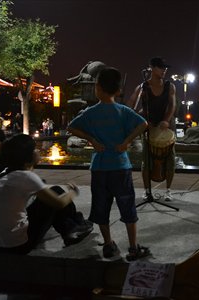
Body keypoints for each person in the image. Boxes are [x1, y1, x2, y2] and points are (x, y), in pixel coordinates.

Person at [68, 66, 150, 261]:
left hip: (99, 168)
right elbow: (144, 124)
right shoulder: (122, 111)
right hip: (121, 167)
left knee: (101, 208)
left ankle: (108, 244)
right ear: (116, 90)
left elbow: (72, 127)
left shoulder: (90, 112)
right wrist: (127, 142)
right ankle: (132, 247)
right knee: (127, 206)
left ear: (97, 88)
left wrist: (92, 140)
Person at [0, 134, 93, 254]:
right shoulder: (26, 176)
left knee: (52, 193)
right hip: (19, 244)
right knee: (57, 192)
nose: (38, 151)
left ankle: (72, 227)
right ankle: (72, 228)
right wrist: (73, 192)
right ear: (28, 156)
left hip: (1, 243)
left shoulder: (6, 173)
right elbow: (59, 203)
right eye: (35, 149)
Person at [128, 57, 177, 201]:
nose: (164, 70)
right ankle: (147, 191)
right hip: (148, 126)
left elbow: (172, 105)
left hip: (166, 126)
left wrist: (166, 120)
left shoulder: (170, 86)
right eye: (161, 67)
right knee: (146, 161)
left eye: (165, 68)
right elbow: (131, 105)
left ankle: (168, 190)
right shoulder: (142, 87)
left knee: (171, 160)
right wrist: (140, 120)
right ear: (152, 68)